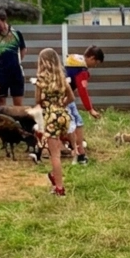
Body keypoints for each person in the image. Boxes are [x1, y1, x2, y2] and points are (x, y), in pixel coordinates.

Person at [34, 47, 74, 195]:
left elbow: (38, 100)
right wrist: (60, 105)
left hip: (50, 117)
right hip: (63, 116)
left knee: (54, 155)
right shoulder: (62, 79)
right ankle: (54, 177)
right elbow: (71, 97)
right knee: (57, 149)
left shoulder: (40, 80)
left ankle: (59, 188)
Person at [64, 46, 104, 165]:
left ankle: (72, 147)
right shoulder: (82, 70)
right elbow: (82, 90)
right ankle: (79, 153)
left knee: (72, 122)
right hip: (65, 98)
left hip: (61, 94)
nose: (94, 66)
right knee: (75, 123)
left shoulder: (73, 60)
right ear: (91, 58)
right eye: (96, 63)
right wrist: (90, 109)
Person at [0, 9, 27, 106]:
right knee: (1, 102)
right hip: (0, 73)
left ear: (4, 21)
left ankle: (17, 120)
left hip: (16, 72)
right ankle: (2, 120)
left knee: (18, 102)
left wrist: (16, 61)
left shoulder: (16, 34)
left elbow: (23, 49)